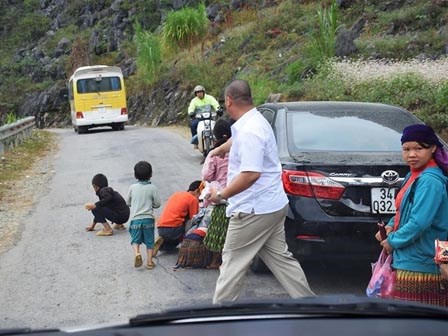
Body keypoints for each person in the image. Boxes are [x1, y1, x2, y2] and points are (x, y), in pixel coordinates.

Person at [207, 79, 315, 304]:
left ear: (228, 101)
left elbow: (250, 174)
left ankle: (219, 317)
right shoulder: (255, 121)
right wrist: (219, 149)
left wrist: (221, 195)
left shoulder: (250, 131)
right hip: (272, 206)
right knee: (281, 260)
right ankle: (311, 305)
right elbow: (238, 141)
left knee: (232, 264)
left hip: (252, 210)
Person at [375, 124, 448, 306]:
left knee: (418, 323)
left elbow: (419, 223)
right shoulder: (413, 175)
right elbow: (403, 209)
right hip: (410, 258)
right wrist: (391, 225)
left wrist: (392, 242)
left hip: (422, 263)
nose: (411, 154)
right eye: (406, 149)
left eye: (418, 148)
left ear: (432, 148)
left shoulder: (429, 181)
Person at [201, 119, 231, 269]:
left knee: (217, 231)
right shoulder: (237, 149)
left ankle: (215, 261)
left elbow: (206, 175)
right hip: (238, 194)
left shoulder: (216, 153)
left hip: (220, 196)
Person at [126, 161, 161, 269]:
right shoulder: (153, 188)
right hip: (148, 220)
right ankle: (149, 262)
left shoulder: (132, 187)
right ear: (151, 174)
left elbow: (128, 202)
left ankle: (137, 253)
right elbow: (157, 204)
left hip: (136, 220)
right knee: (150, 242)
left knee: (135, 240)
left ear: (135, 175)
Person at [154, 180, 202, 255]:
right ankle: (185, 242)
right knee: (192, 222)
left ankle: (162, 243)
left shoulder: (176, 194)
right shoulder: (193, 199)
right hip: (173, 230)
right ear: (197, 191)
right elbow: (194, 218)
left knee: (170, 247)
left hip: (161, 228)